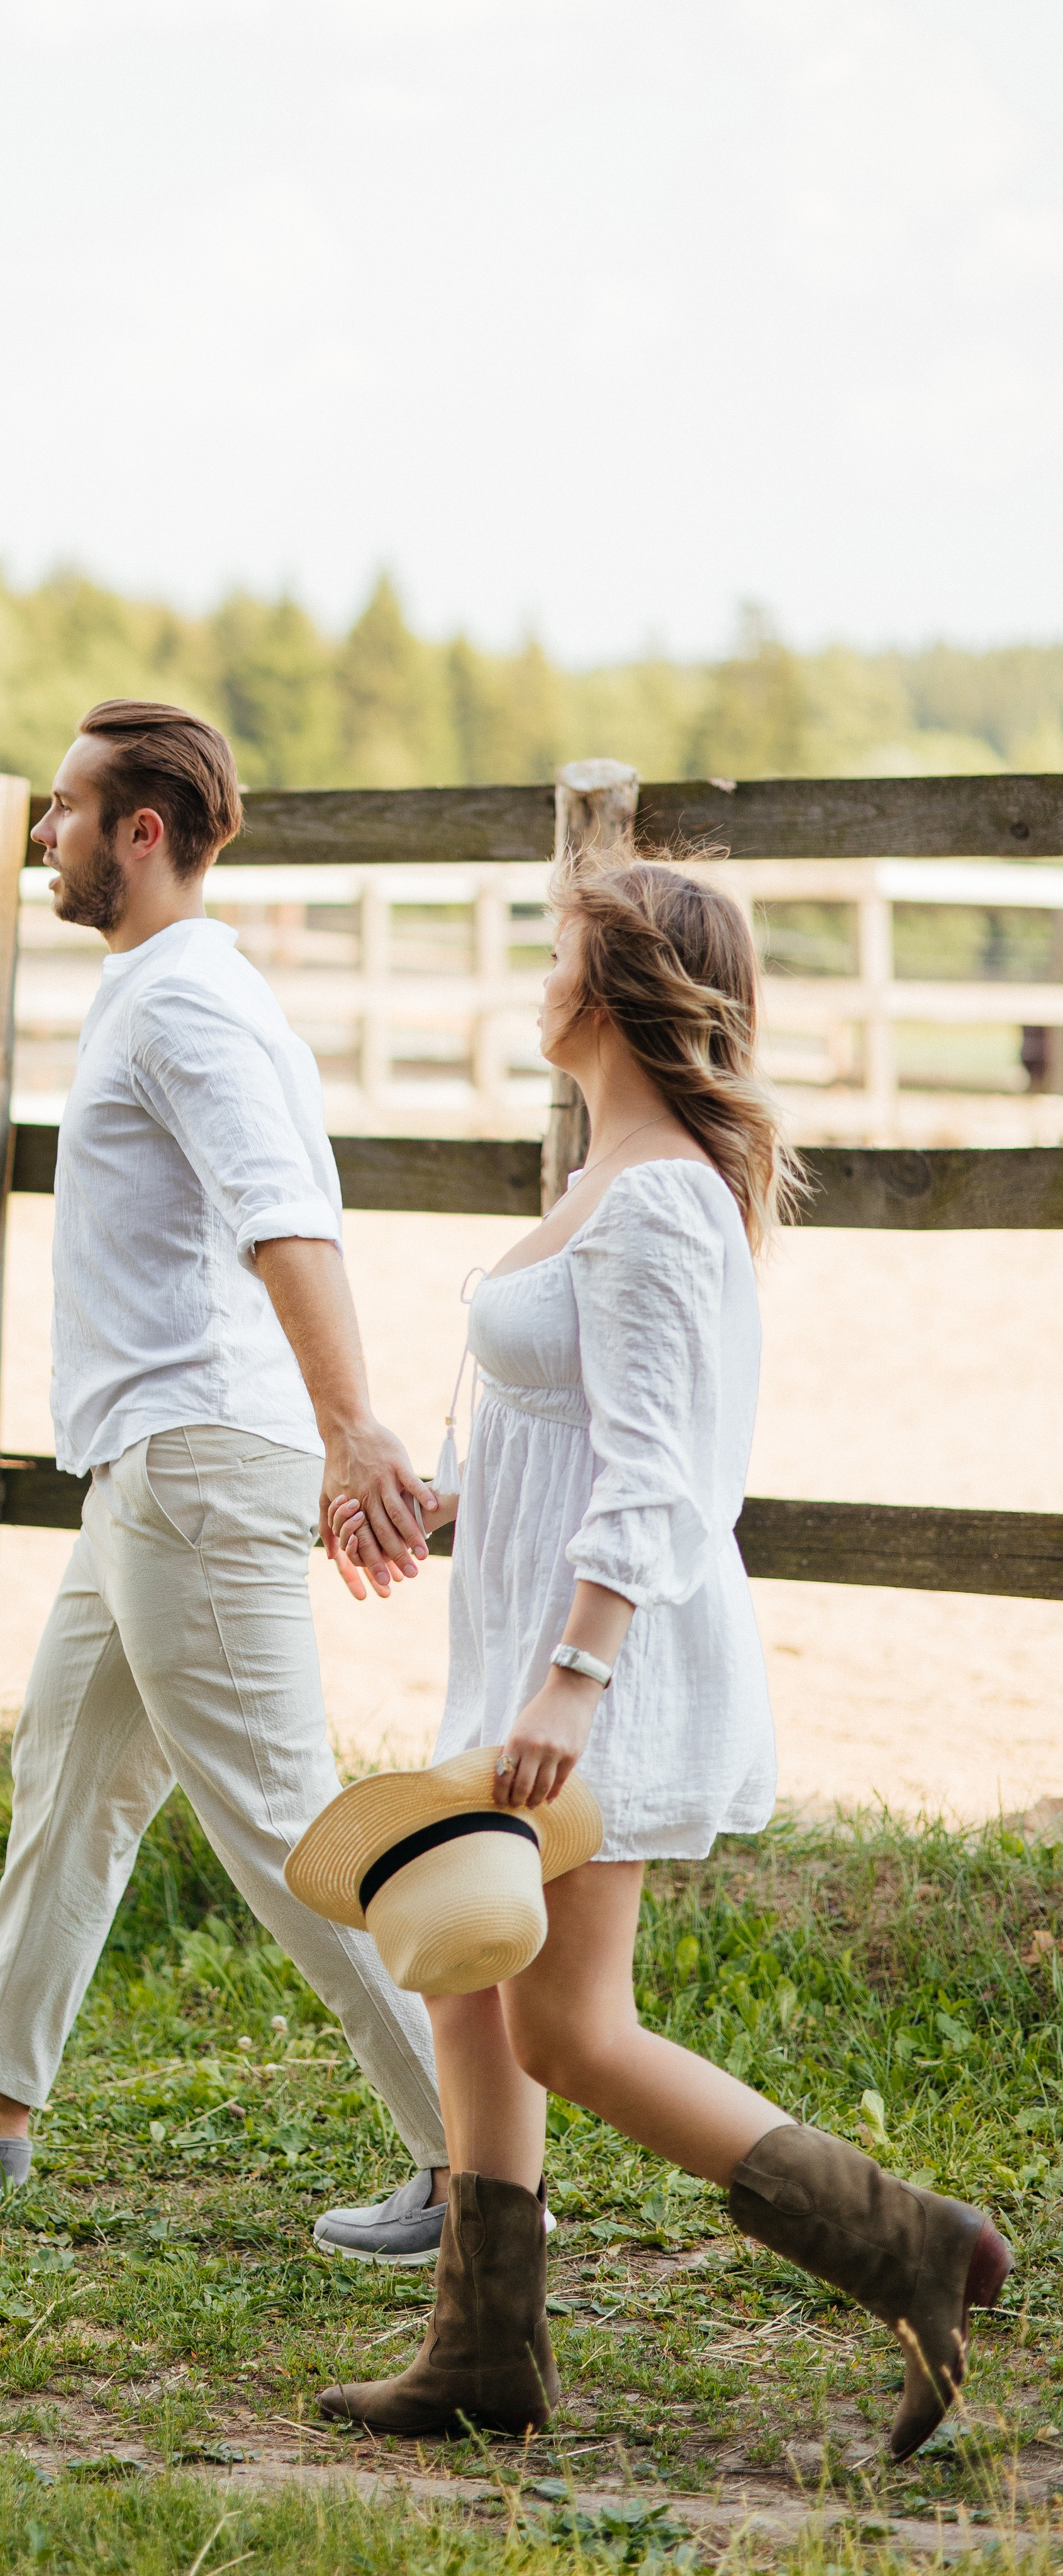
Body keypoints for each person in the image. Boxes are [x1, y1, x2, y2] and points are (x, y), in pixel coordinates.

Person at [314, 852, 1010, 2453]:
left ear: (621, 981)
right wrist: (434, 1505)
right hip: (536, 1636)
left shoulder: (653, 1202)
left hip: (599, 1661)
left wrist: (574, 1677)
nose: (533, 975)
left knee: (567, 2023)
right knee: (470, 1978)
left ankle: (909, 2243)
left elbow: (659, 1472)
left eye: (556, 948)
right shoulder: (605, 1176)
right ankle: (484, 2348)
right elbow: (567, 1439)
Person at [0, 698, 457, 2263]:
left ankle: (478, 2162)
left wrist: (354, 1428)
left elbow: (281, 1210)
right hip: (145, 1474)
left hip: (195, 1467)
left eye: (62, 811)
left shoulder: (182, 1009)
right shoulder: (174, 989)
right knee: (74, 1780)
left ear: (138, 834)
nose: (43, 834)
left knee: (288, 1824)